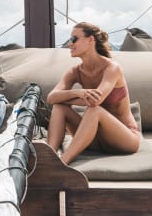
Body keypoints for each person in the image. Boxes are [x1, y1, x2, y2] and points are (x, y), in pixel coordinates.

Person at [46, 22, 141, 164]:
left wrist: (66, 97)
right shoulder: (74, 71)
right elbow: (51, 98)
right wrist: (78, 92)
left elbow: (95, 101)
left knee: (94, 110)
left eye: (74, 39)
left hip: (124, 139)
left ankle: (61, 163)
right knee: (59, 107)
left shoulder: (112, 68)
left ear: (91, 40)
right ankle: (48, 157)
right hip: (95, 139)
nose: (69, 44)